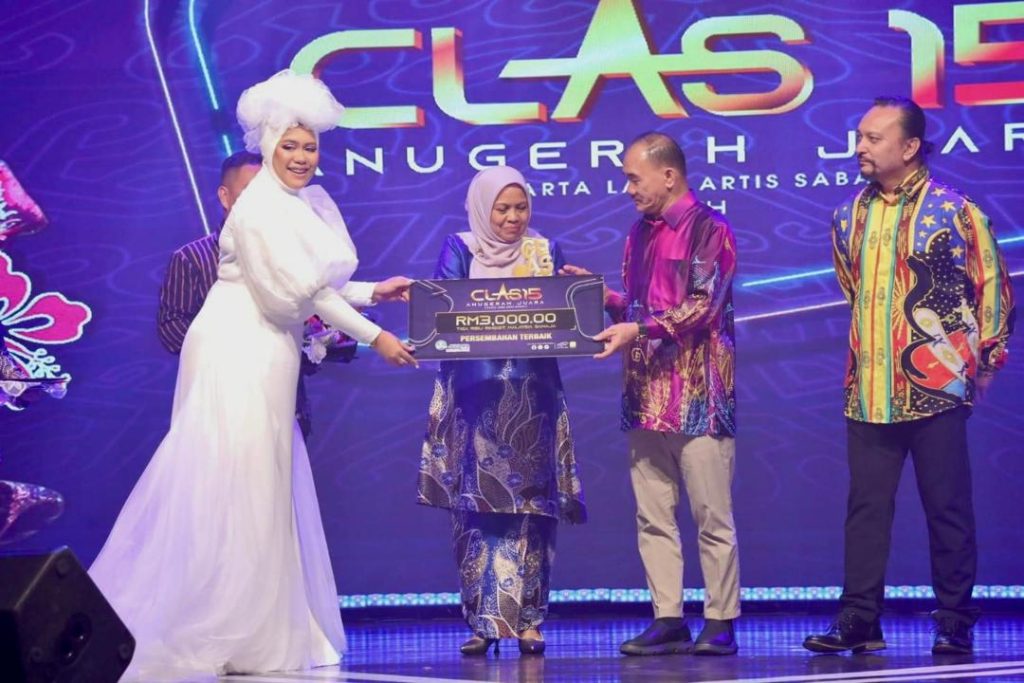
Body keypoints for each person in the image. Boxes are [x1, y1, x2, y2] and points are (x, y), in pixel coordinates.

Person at [89, 69, 417, 680]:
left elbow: (314, 284)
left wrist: (374, 291)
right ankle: (225, 622)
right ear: (268, 145)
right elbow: (305, 293)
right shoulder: (261, 206)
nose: (301, 156)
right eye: (289, 145)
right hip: (239, 347)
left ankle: (255, 619)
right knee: (235, 479)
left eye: (309, 146)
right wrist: (377, 337)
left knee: (260, 482)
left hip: (269, 346)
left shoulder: (291, 204)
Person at [804, 96, 1015, 656]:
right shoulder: (847, 215)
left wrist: (986, 357)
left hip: (935, 385)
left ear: (910, 146)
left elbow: (992, 283)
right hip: (868, 388)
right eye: (860, 137)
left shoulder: (955, 210)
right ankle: (860, 618)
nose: (861, 147)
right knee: (865, 510)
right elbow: (854, 290)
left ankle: (954, 619)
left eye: (873, 138)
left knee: (947, 508)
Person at [564, 132, 740, 656]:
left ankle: (720, 619)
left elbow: (703, 306)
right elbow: (642, 310)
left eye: (633, 178)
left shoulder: (710, 229)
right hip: (644, 395)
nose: (628, 188)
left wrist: (638, 329)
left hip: (699, 396)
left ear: (668, 175)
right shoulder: (638, 233)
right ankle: (668, 618)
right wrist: (607, 298)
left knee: (712, 516)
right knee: (653, 516)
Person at [417, 165, 586, 656]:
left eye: (521, 207)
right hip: (475, 397)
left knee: (533, 509)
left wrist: (579, 298)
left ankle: (529, 620)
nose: (513, 218)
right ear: (482, 209)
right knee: (477, 508)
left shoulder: (544, 250)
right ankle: (483, 623)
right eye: (503, 209)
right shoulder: (460, 248)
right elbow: (442, 312)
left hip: (533, 396)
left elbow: (562, 319)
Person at [157, 151, 352, 437]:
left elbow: (318, 303)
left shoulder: (292, 256)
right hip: (218, 408)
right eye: (251, 193)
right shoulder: (191, 258)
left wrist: (315, 339)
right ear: (225, 197)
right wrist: (227, 352)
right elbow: (171, 327)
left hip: (285, 404)